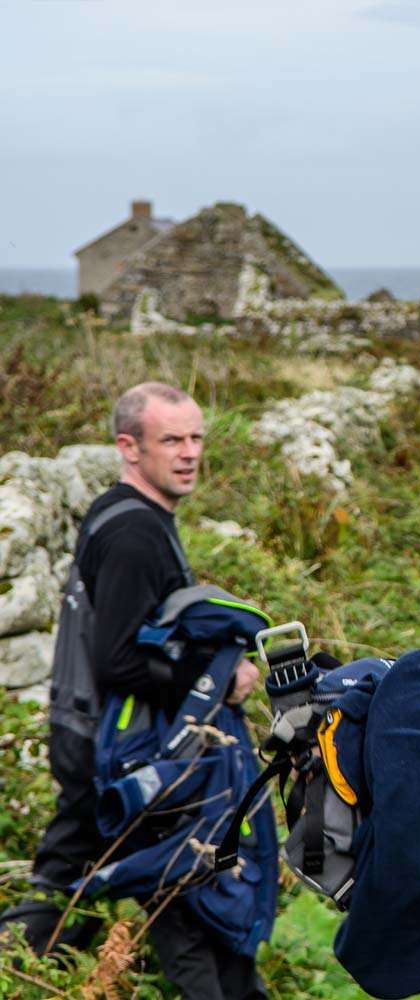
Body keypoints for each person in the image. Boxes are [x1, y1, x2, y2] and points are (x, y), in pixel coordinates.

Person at [0, 382, 262, 1000]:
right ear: (129, 447)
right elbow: (119, 660)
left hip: (98, 742)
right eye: (171, 439)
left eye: (197, 437)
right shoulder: (135, 537)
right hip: (115, 756)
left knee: (76, 897)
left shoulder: (126, 515)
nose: (190, 452)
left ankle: (22, 973)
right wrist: (219, 680)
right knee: (181, 910)